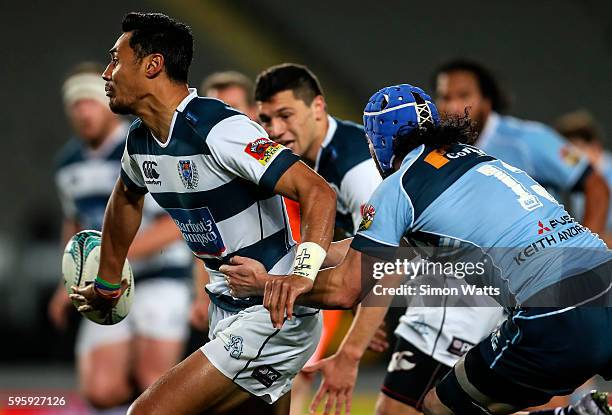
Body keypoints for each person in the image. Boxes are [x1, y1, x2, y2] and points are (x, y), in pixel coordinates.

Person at [221, 84, 612, 415]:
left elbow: (345, 288)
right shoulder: (480, 161)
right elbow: (368, 251)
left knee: (437, 408)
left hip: (554, 312)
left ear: (378, 142)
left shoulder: (399, 187)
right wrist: (294, 260)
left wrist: (265, 285)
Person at [69, 12, 337, 415]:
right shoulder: (141, 141)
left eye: (115, 60)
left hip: (270, 314)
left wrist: (302, 273)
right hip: (226, 310)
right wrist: (108, 282)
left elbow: (317, 191)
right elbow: (125, 198)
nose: (107, 73)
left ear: (152, 64)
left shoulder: (220, 129)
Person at [49, 62, 194, 412]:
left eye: (89, 101)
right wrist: (66, 280)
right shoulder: (68, 164)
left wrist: (108, 258)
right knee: (100, 388)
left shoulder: (142, 145)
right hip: (105, 279)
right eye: (75, 104)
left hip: (160, 275)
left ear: (106, 101)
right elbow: (75, 222)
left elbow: (173, 225)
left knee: (154, 380)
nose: (83, 111)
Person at [254, 63, 383, 414]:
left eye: (285, 115)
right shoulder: (307, 161)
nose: (276, 130)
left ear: (318, 107)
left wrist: (360, 332)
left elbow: (380, 253)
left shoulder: (357, 167)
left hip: (458, 277)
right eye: (266, 120)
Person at [555, 110, 612, 245]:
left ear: (595, 147)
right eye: (567, 155)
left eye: (576, 153)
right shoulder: (575, 181)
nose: (571, 161)